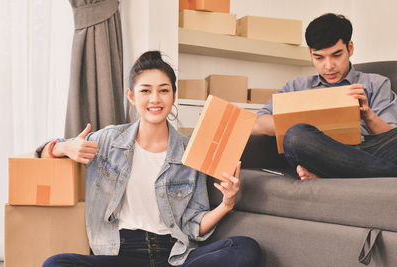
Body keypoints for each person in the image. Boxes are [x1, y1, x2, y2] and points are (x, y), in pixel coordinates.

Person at [39, 51, 261, 266]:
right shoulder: (109, 140)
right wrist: (65, 147)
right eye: (145, 91)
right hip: (120, 253)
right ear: (132, 96)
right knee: (56, 263)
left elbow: (194, 224)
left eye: (163, 91)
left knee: (245, 248)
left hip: (173, 255)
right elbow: (42, 152)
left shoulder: (189, 150)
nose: (155, 99)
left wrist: (226, 204)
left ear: (174, 95)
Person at [253, 13, 397, 180]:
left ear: (350, 48)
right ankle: (388, 172)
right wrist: (310, 121)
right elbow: (257, 123)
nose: (328, 66)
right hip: (320, 152)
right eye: (319, 57)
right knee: (296, 135)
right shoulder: (297, 87)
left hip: (367, 151)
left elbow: (391, 137)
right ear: (310, 53)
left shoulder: (375, 83)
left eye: (336, 55)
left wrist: (368, 115)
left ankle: (329, 174)